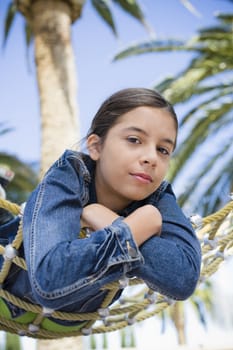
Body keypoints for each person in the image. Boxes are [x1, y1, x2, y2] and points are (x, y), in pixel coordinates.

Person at [0, 88, 201, 330]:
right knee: (9, 232)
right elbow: (49, 281)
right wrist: (137, 228)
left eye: (163, 149)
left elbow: (183, 277)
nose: (151, 158)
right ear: (95, 147)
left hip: (68, 319)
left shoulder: (159, 198)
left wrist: (110, 221)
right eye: (134, 140)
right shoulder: (68, 175)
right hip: (6, 281)